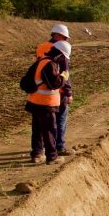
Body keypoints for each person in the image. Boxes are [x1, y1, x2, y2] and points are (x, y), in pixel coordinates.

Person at [26, 41, 71, 164]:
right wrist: (63, 77)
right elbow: (53, 84)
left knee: (37, 130)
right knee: (49, 130)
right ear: (60, 54)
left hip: (35, 101)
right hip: (45, 104)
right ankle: (52, 156)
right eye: (63, 57)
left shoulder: (41, 60)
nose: (63, 60)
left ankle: (37, 154)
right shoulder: (49, 64)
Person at [37, 24, 74, 156]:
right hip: (57, 90)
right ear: (57, 35)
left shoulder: (41, 47)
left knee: (41, 123)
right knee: (60, 119)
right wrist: (68, 92)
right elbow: (65, 73)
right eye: (64, 37)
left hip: (41, 90)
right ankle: (59, 146)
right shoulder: (60, 49)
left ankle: (40, 149)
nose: (66, 40)